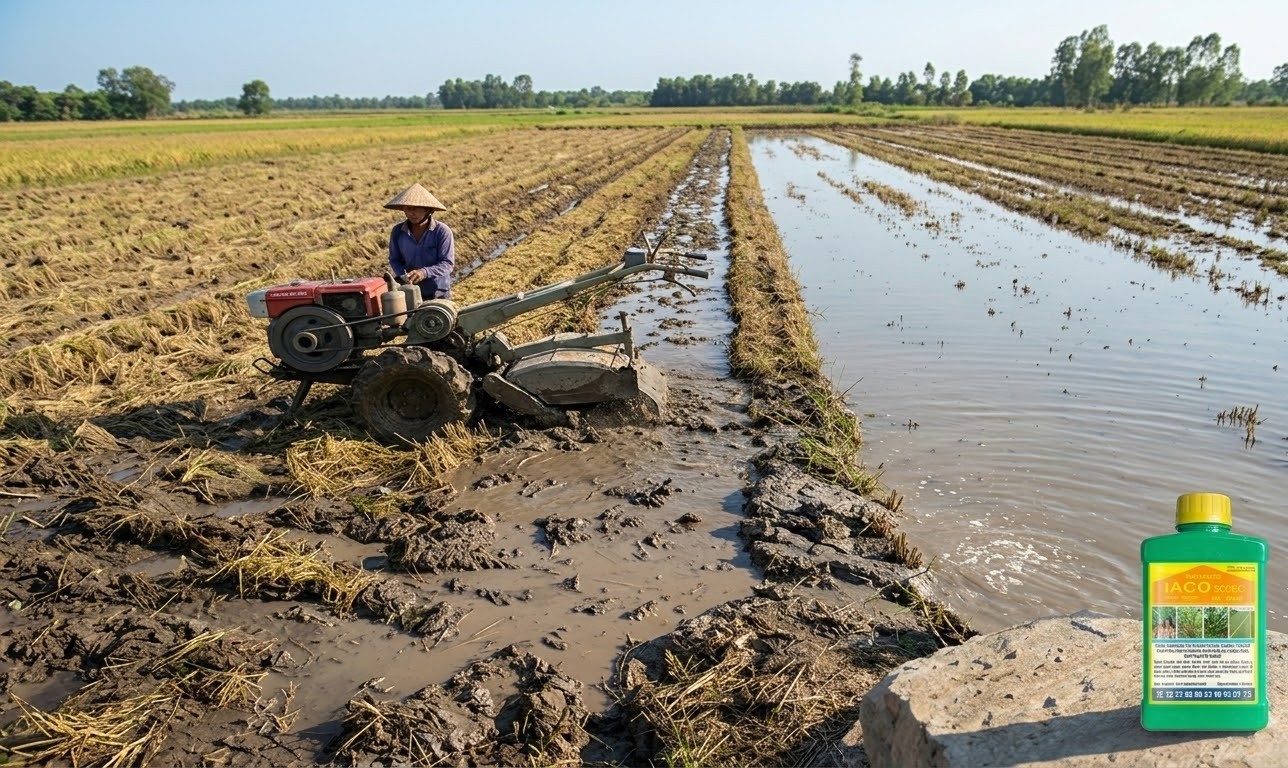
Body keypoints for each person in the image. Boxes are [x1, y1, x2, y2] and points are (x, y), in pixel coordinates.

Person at [385, 183, 455, 300]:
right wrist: (405, 275)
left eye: (415, 208)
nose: (411, 213)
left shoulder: (442, 231)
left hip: (437, 292)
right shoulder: (397, 232)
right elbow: (395, 259)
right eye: (407, 208)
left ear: (427, 210)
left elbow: (447, 264)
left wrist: (424, 273)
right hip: (410, 291)